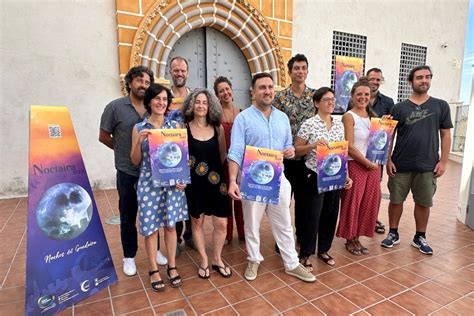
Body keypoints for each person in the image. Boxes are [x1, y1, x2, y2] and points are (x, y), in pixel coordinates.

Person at [228, 72, 315, 283]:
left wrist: (290, 152)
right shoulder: (243, 118)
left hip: (278, 178)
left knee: (284, 222)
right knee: (252, 223)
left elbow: (288, 146)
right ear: (253, 91)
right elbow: (236, 151)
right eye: (262, 88)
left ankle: (292, 264)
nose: (267, 91)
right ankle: (254, 258)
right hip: (252, 180)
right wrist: (232, 180)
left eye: (270, 87)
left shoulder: (282, 118)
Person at [99, 66, 168, 277]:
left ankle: (155, 251)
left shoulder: (153, 108)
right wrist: (124, 151)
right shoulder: (115, 107)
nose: (143, 86)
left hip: (152, 173)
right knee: (128, 214)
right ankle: (129, 256)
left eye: (147, 82)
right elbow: (104, 136)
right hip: (127, 171)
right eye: (139, 81)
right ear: (129, 82)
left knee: (154, 214)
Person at [381, 65, 453, 255]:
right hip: (400, 164)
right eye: (420, 77)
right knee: (396, 201)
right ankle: (393, 233)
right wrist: (388, 159)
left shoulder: (440, 105)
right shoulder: (399, 108)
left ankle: (419, 236)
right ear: (411, 81)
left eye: (427, 77)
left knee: (424, 202)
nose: (424, 81)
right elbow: (389, 136)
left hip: (427, 165)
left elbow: (446, 134)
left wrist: (443, 161)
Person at [130, 83, 188, 290]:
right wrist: (139, 142)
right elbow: (135, 161)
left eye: (165, 99)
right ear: (149, 102)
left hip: (172, 185)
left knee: (171, 226)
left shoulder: (176, 128)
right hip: (149, 186)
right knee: (151, 229)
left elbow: (182, 158)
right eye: (157, 99)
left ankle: (172, 266)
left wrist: (183, 179)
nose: (161, 103)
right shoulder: (139, 128)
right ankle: (154, 269)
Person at [294, 87, 352, 267]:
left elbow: (342, 152)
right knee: (311, 215)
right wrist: (312, 146)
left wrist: (346, 176)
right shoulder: (309, 124)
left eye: (333, 99)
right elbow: (296, 150)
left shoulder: (339, 125)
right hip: (314, 174)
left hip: (333, 176)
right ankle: (305, 252)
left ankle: (324, 250)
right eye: (326, 99)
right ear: (316, 103)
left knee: (330, 213)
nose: (331, 102)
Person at [182, 89, 232, 279]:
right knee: (197, 222)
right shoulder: (183, 128)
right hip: (194, 184)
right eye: (197, 102)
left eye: (204, 102)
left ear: (210, 105)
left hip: (216, 182)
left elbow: (222, 155)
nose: (201, 106)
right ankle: (204, 259)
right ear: (191, 105)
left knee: (221, 223)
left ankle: (217, 258)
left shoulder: (217, 128)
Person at [273, 53, 315, 253]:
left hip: (307, 159)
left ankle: (299, 237)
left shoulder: (314, 97)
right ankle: (280, 238)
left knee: (304, 203)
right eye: (296, 68)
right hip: (285, 158)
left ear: (307, 71)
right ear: (289, 73)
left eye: (303, 67)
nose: (300, 71)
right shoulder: (280, 98)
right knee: (282, 201)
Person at [337, 77, 380, 255]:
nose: (363, 97)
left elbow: (380, 141)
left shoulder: (374, 117)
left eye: (366, 94)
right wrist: (367, 163)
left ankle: (358, 237)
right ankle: (349, 238)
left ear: (371, 96)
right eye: (359, 94)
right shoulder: (349, 116)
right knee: (352, 202)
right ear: (352, 96)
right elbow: (349, 146)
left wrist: (386, 126)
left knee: (368, 203)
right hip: (356, 165)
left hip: (372, 166)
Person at [168, 56, 195, 251]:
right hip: (172, 156)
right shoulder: (164, 96)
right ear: (170, 71)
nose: (179, 73)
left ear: (187, 73)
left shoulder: (193, 96)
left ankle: (191, 235)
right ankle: (175, 238)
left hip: (193, 152)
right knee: (175, 196)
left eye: (183, 70)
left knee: (192, 196)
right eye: (176, 70)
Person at [213, 76, 245, 244]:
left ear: (231, 90)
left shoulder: (241, 112)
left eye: (227, 89)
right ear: (217, 95)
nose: (225, 93)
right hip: (223, 162)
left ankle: (243, 231)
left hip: (239, 162)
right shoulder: (215, 115)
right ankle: (227, 234)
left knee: (240, 198)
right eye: (221, 91)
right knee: (226, 199)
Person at [367, 67, 395, 234]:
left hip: (377, 153)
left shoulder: (388, 102)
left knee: (375, 187)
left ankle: (372, 217)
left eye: (378, 80)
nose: (375, 82)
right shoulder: (357, 97)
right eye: (373, 79)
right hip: (359, 151)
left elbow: (390, 130)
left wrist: (385, 123)